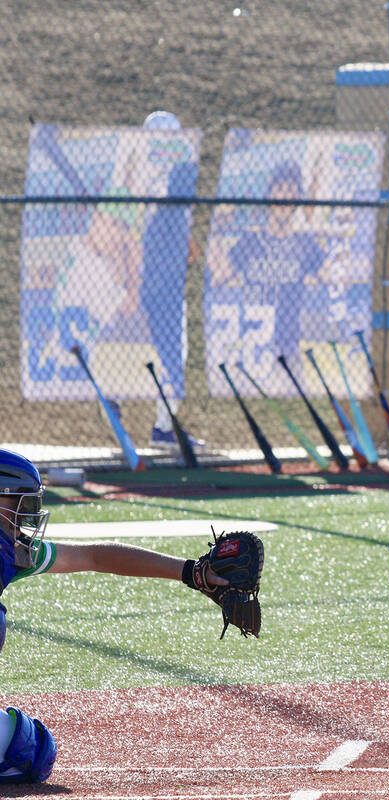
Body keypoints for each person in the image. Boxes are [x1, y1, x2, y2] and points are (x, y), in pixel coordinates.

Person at [0, 448, 233, 783]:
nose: (27, 516)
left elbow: (95, 557)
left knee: (30, 752)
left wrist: (192, 573)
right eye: (19, 503)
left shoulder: (11, 552)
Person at [209, 159, 328, 363]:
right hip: (253, 350)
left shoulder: (305, 244)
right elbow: (219, 276)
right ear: (269, 195)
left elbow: (331, 277)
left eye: (291, 191)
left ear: (297, 198)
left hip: (288, 348)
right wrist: (215, 230)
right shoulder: (250, 242)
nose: (284, 197)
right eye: (279, 189)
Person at [140, 110, 203, 449]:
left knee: (174, 358)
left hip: (169, 288)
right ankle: (143, 424)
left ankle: (165, 428)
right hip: (148, 289)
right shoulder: (142, 176)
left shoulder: (179, 178)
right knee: (133, 356)